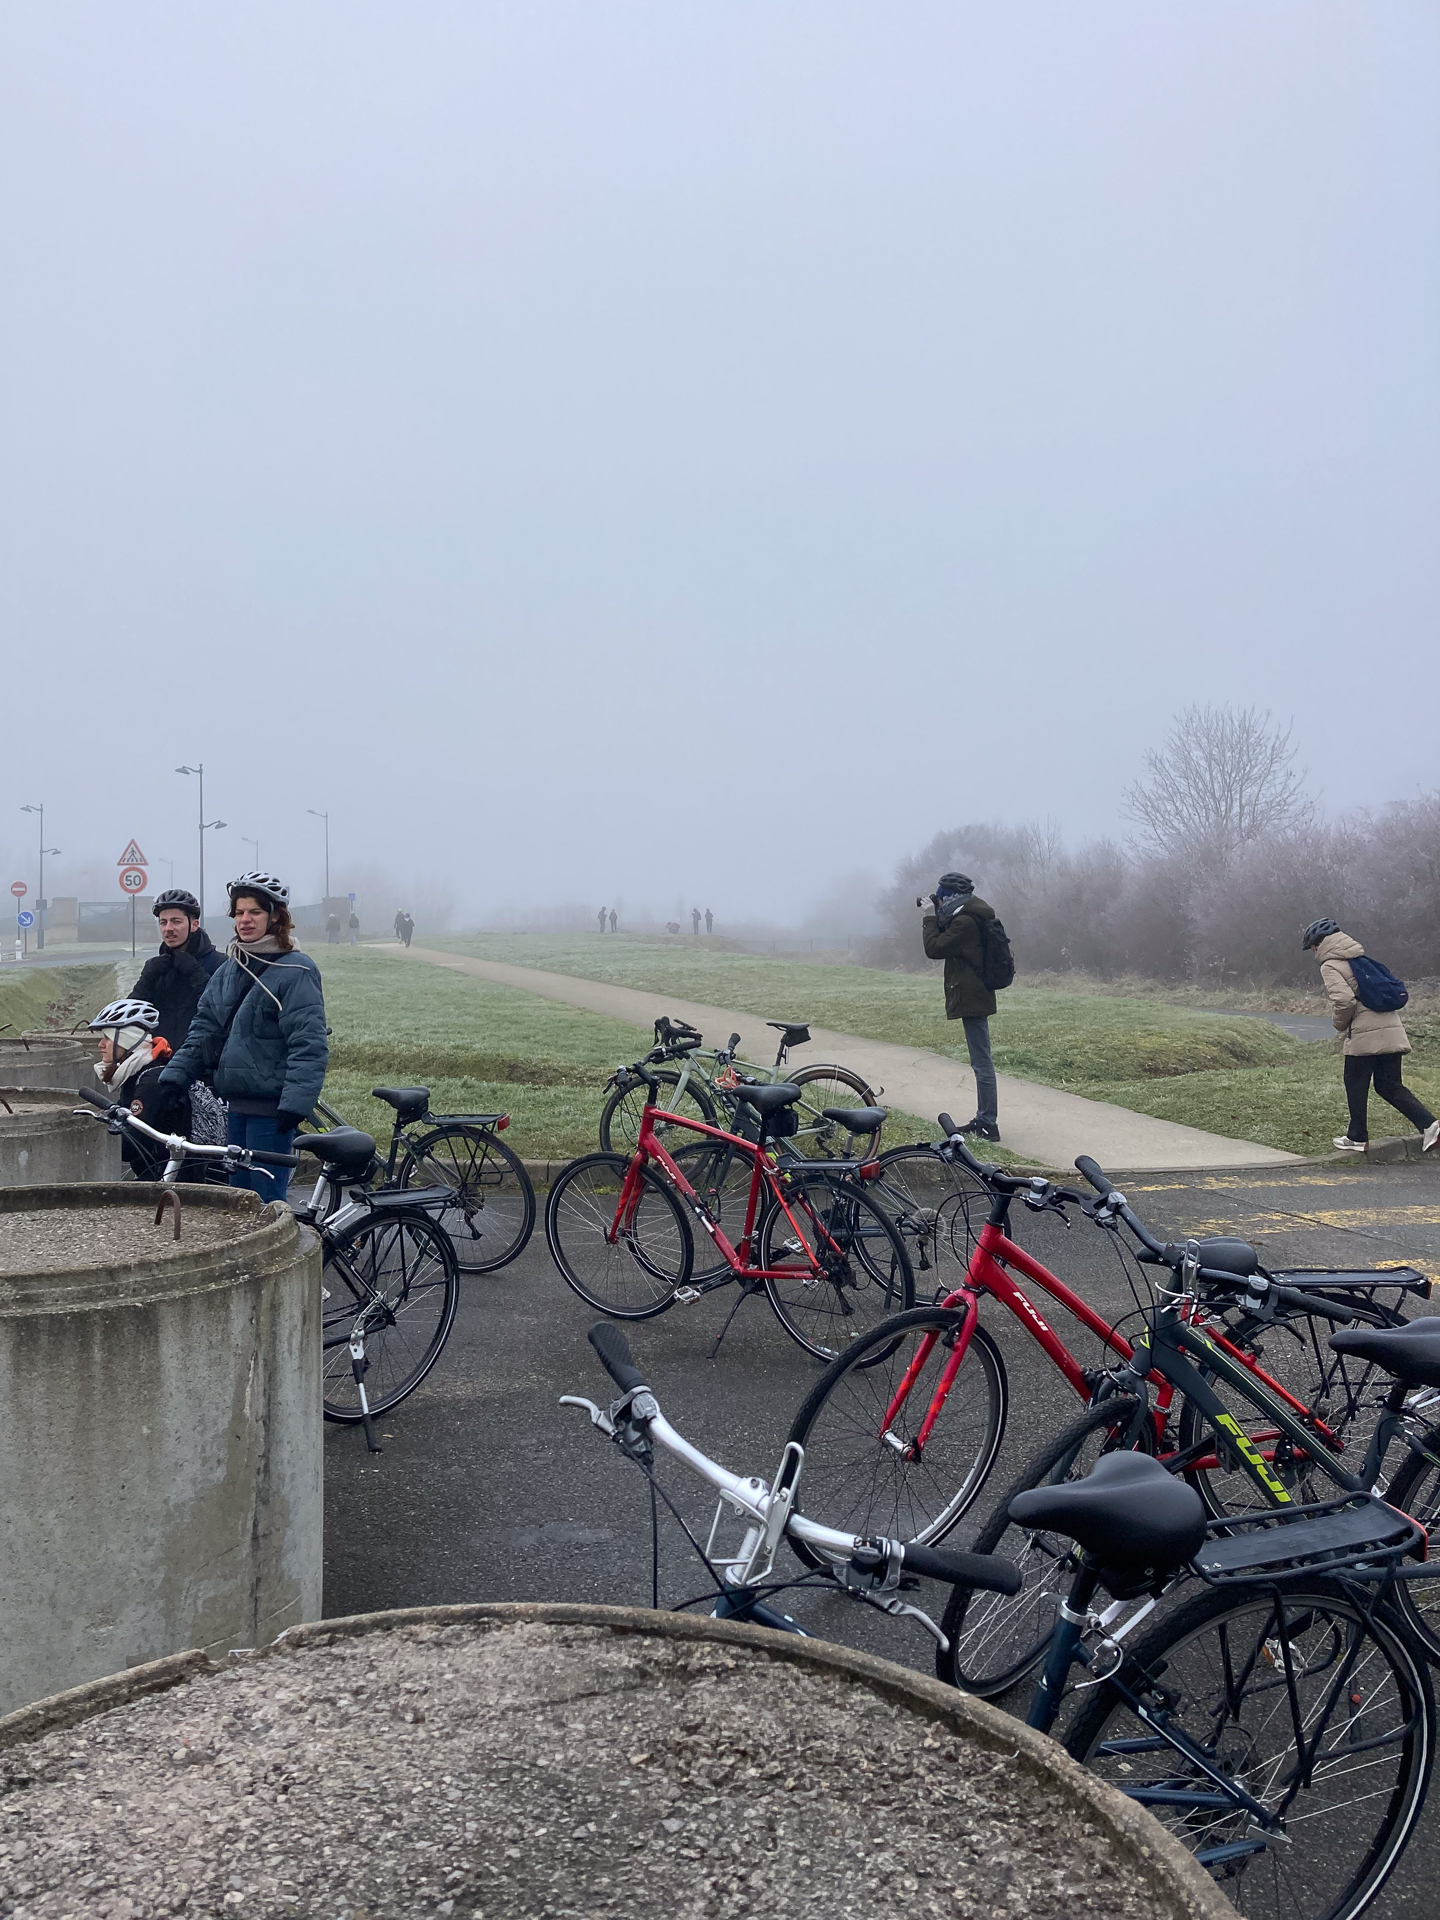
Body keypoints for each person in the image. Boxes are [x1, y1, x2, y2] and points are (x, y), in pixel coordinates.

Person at [158, 871, 328, 1201]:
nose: (245, 920)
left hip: (272, 1110)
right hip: (235, 1107)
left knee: (265, 1203)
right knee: (237, 1202)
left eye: (255, 912)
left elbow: (307, 1044)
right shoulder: (230, 968)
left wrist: (295, 1104)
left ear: (275, 916)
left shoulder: (297, 970)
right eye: (239, 912)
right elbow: (204, 1028)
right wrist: (174, 1078)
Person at [1303, 918, 1439, 1154]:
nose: (1314, 952)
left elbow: (1344, 1000)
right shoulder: (1360, 959)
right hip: (1392, 1030)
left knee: (1354, 1082)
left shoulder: (1330, 965)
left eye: (1313, 948)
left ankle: (1357, 1138)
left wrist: (1339, 1024)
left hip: (1366, 1034)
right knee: (1389, 1085)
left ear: (1319, 945)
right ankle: (1430, 1126)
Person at [922, 872, 1001, 1141]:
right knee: (981, 1061)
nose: (940, 900)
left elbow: (934, 948)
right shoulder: (968, 915)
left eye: (941, 896)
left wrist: (929, 917)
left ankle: (988, 1124)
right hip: (975, 994)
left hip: (973, 996)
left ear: (950, 897)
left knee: (982, 1063)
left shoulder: (965, 921)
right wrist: (938, 913)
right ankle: (984, 1119)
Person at [88, 998, 193, 1178]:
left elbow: (132, 1146)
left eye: (107, 1037)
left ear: (127, 1041)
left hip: (173, 1179)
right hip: (156, 1172)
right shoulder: (136, 1072)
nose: (101, 1045)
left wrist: (88, 1145)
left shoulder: (151, 1081)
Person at [128, 888, 224, 1051]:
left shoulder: (220, 963)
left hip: (201, 1061)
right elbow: (132, 1013)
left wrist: (196, 974)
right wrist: (148, 979)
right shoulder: (156, 967)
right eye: (163, 922)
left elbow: (221, 1011)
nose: (168, 928)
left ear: (194, 924)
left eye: (176, 921)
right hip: (159, 1057)